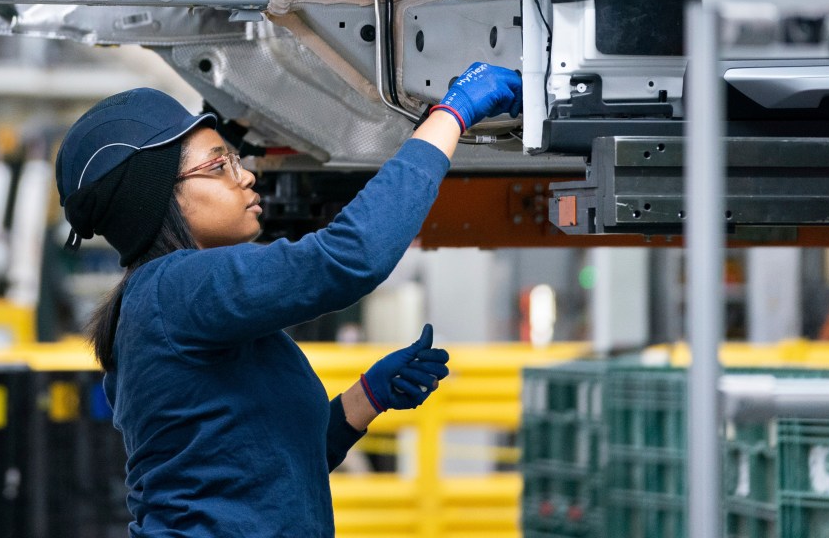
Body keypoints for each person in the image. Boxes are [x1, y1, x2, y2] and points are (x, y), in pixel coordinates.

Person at [55, 62, 523, 537]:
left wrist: (366, 398)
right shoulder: (177, 288)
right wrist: (451, 115)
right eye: (219, 165)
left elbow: (270, 471)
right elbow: (349, 257)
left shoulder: (171, 303)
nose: (246, 177)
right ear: (156, 198)